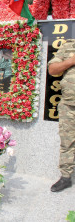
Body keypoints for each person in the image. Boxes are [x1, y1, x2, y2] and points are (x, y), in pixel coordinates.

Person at [48, 39, 75, 192]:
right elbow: (52, 69)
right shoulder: (69, 45)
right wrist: (71, 61)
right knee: (67, 142)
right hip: (69, 106)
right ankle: (65, 177)